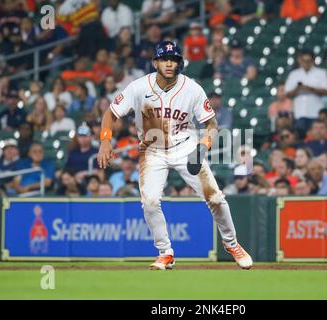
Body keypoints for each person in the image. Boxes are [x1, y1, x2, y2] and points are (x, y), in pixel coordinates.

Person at [97, 40, 253, 270]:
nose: (169, 64)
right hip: (152, 150)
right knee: (149, 202)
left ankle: (232, 244)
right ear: (155, 62)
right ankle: (165, 252)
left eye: (174, 60)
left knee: (216, 198)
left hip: (186, 147)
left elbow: (211, 124)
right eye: (164, 59)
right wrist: (105, 141)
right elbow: (110, 114)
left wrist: (203, 146)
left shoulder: (192, 88)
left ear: (180, 63)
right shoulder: (139, 87)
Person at [284, 50, 327, 135]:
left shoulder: (321, 73)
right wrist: (298, 88)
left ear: (313, 61)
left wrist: (309, 88)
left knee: (315, 137)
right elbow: (287, 93)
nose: (306, 63)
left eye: (308, 61)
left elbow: (326, 91)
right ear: (300, 60)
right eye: (304, 61)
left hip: (316, 112)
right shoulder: (294, 74)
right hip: (299, 112)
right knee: (300, 137)